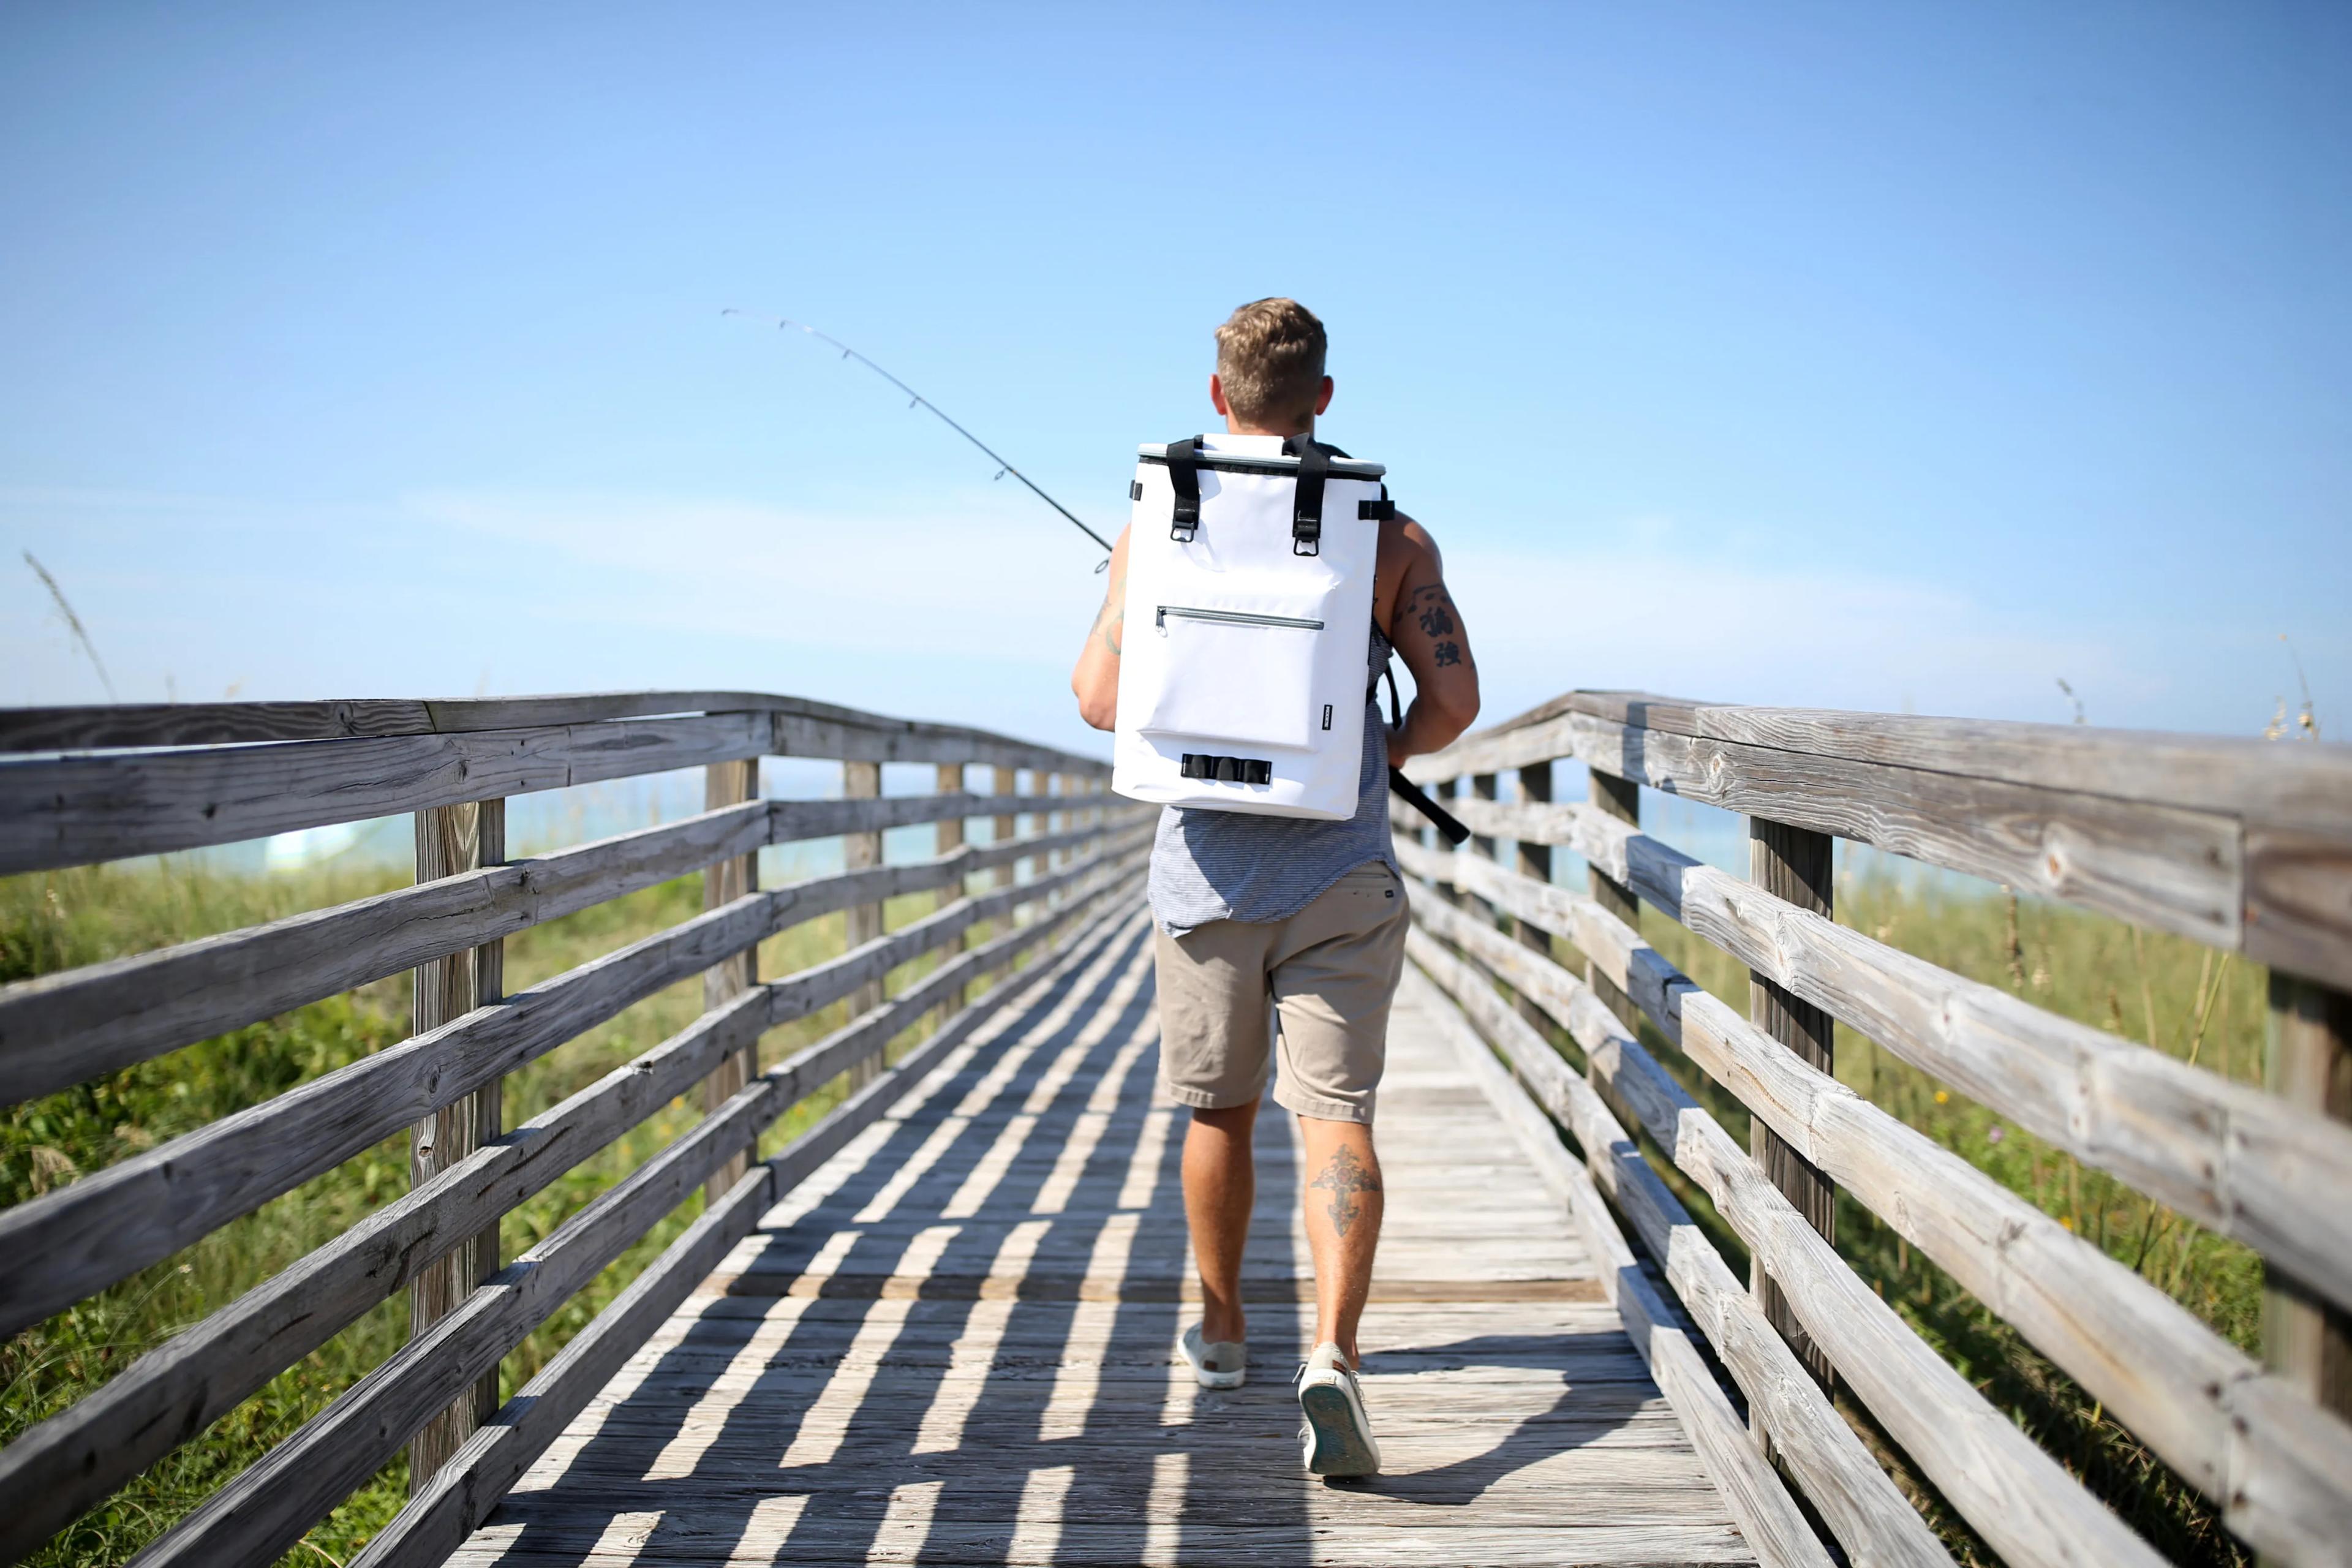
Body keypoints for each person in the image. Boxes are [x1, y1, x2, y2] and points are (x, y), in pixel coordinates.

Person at [1070, 298, 1482, 1476]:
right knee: (1337, 1118)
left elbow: (1099, 703)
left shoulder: (1156, 524)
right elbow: (1453, 704)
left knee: (1219, 1111)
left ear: (1217, 399)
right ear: (1325, 402)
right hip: (1344, 869)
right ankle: (1336, 1357)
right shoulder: (1390, 539)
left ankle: (1221, 1326)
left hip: (1204, 878)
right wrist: (1375, 755)